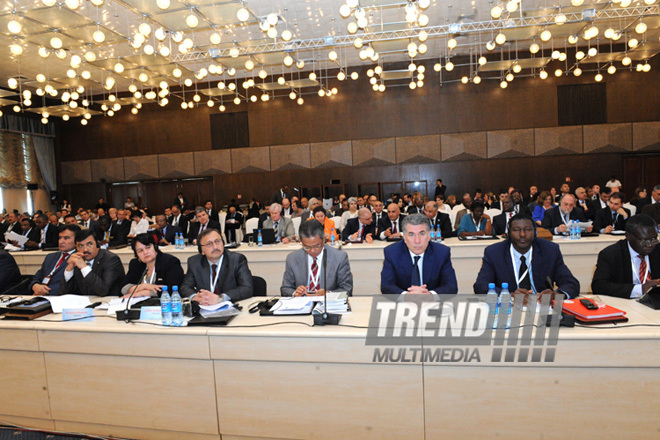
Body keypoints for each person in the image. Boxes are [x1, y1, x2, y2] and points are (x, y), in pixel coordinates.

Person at [474, 214, 579, 301]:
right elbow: (481, 285)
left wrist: (557, 295)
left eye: (528, 229)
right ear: (509, 233)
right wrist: (508, 295)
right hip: (509, 308)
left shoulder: (550, 250)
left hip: (541, 308)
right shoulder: (494, 252)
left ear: (535, 232)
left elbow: (571, 283)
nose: (523, 234)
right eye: (516, 230)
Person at [380, 213, 458, 295]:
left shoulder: (441, 252)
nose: (417, 241)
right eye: (411, 234)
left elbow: (451, 286)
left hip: (432, 304)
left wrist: (430, 295)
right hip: (404, 304)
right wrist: (407, 296)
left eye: (422, 234)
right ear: (405, 238)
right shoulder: (392, 252)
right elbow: (386, 286)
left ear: (429, 236)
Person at [592, 214, 660, 298]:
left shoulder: (657, 249)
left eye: (653, 239)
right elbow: (598, 286)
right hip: (625, 304)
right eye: (644, 240)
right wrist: (640, 289)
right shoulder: (611, 254)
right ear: (628, 236)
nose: (650, 244)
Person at [281, 220, 353, 297]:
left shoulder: (339, 257)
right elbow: (285, 288)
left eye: (316, 246)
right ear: (301, 242)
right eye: (307, 247)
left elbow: (347, 289)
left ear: (323, 240)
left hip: (328, 305)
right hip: (303, 305)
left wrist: (326, 294)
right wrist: (295, 293)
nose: (312, 251)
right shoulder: (292, 258)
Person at [180, 229, 253, 304]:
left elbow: (247, 288)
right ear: (202, 250)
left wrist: (220, 298)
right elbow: (185, 287)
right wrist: (195, 297)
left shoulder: (237, 260)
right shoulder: (194, 262)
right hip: (205, 309)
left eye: (217, 241)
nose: (215, 247)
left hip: (231, 307)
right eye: (209, 244)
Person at [60, 229, 125, 296]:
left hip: (109, 302)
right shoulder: (77, 260)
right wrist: (69, 271)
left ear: (97, 245)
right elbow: (64, 293)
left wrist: (84, 267)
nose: (85, 249)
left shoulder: (111, 259)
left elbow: (103, 290)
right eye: (80, 246)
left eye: (89, 244)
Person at [120, 233, 184, 298]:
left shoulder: (170, 262)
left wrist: (141, 293)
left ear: (155, 247)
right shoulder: (136, 264)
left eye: (148, 247)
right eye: (140, 251)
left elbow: (171, 290)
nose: (145, 252)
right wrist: (144, 286)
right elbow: (124, 288)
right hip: (138, 304)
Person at [30, 224, 80, 296]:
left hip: (60, 298)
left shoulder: (79, 259)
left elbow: (75, 285)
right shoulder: (50, 257)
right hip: (40, 296)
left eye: (66, 238)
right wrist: (35, 286)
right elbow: (37, 276)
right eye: (60, 238)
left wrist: (46, 291)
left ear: (77, 241)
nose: (61, 241)